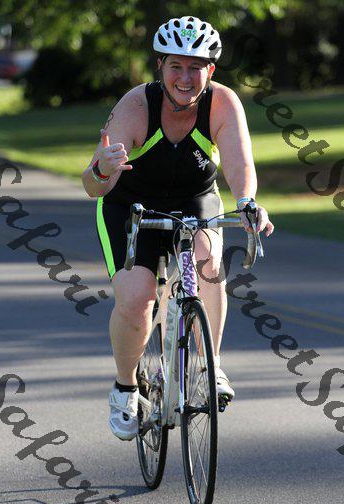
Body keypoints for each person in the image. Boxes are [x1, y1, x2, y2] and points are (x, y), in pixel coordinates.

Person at [82, 16, 274, 441]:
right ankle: (125, 387)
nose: (185, 78)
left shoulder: (222, 103)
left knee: (208, 266)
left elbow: (240, 163)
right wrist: (102, 169)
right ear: (160, 66)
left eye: (196, 67)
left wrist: (246, 202)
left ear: (211, 70)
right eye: (176, 66)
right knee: (137, 299)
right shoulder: (136, 107)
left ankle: (209, 367)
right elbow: (93, 186)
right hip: (130, 206)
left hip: (194, 199)